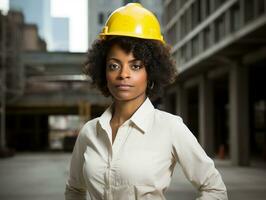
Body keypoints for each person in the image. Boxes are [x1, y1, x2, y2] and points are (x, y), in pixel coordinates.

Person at [65, 3, 228, 200]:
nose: (123, 74)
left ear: (150, 73)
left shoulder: (170, 127)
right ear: (103, 71)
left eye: (135, 66)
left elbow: (215, 190)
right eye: (114, 65)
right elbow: (74, 190)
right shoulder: (89, 132)